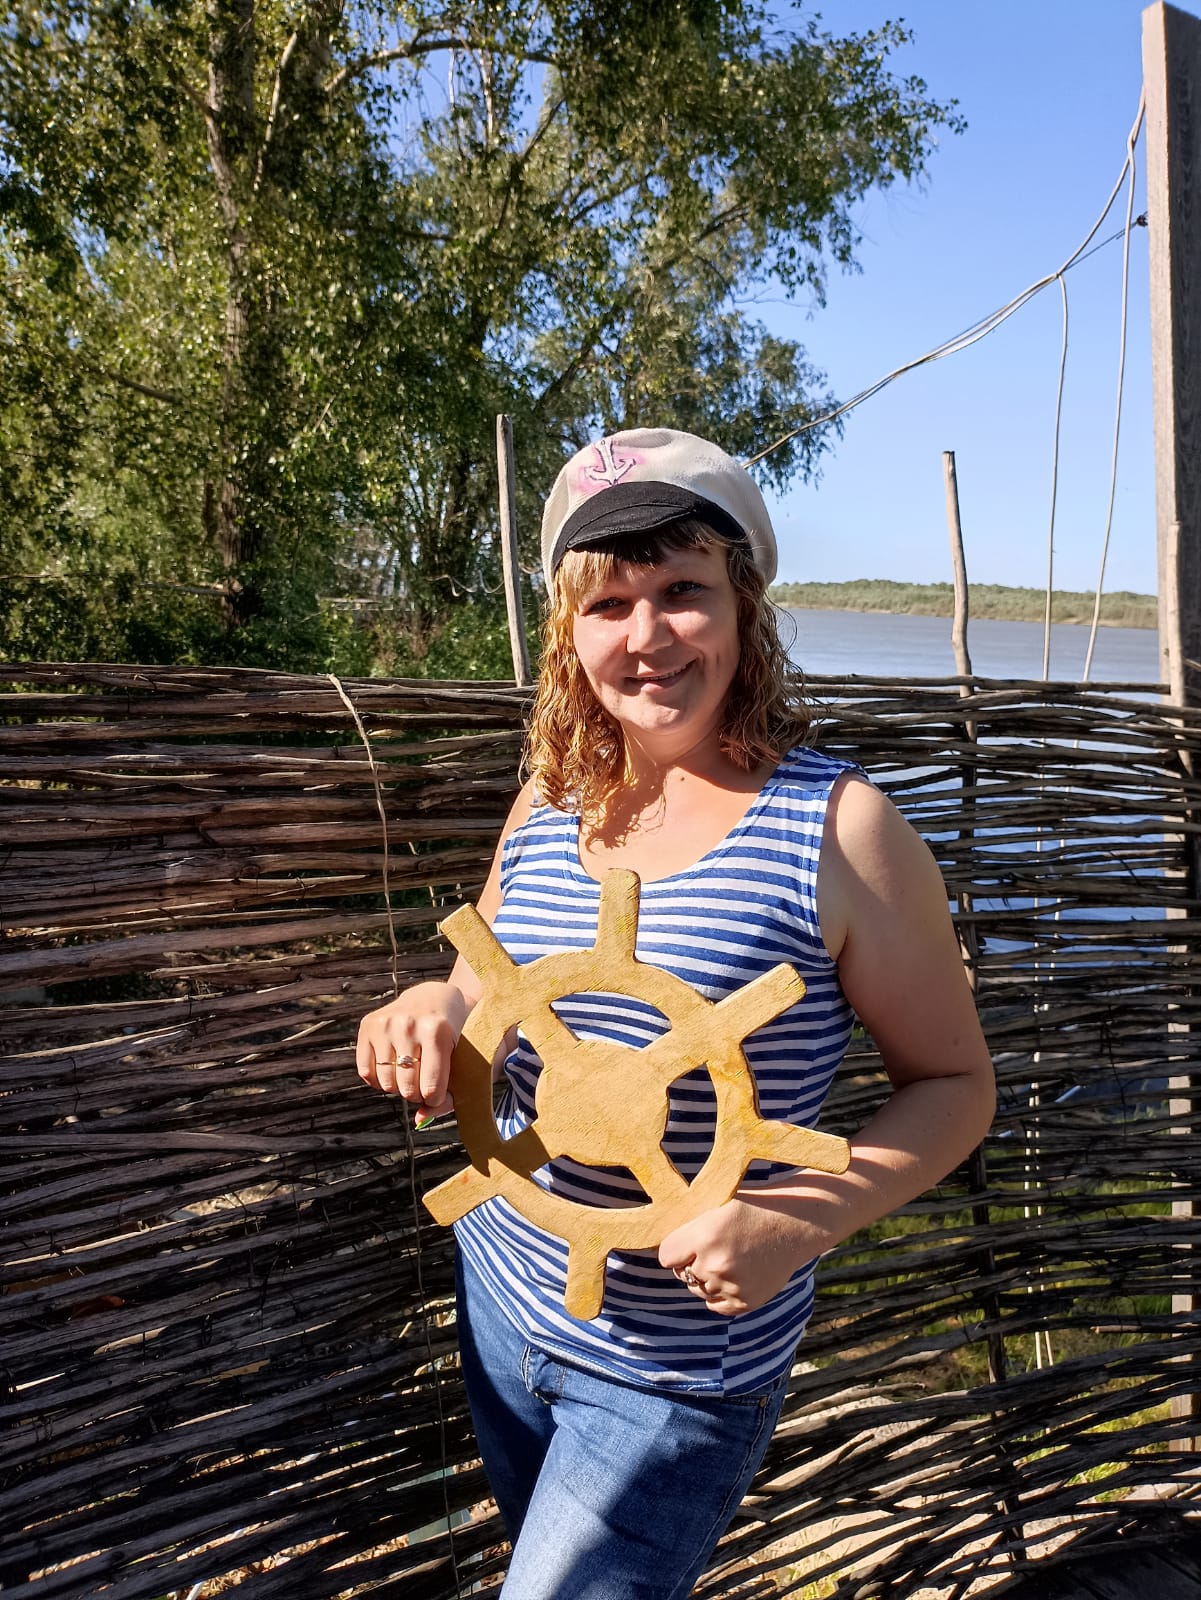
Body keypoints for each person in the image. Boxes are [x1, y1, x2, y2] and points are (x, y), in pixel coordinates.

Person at [357, 428, 995, 1599]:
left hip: (673, 1377)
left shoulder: (840, 831)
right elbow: (484, 972)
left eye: (682, 591)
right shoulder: (552, 797)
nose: (645, 635)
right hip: (503, 1298)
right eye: (609, 603)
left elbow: (956, 1088)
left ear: (744, 606)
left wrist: (800, 1219)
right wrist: (427, 1004)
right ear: (569, 630)